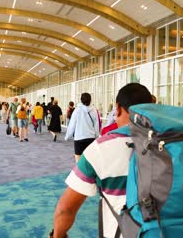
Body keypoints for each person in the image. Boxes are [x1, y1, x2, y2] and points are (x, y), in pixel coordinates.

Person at [52, 83, 153, 238]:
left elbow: (65, 209)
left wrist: (57, 235)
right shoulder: (172, 145)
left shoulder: (101, 148)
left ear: (118, 108)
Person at [64, 93, 100, 162]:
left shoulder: (77, 110)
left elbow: (72, 124)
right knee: (90, 161)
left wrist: (67, 136)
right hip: (90, 138)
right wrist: (96, 136)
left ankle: (80, 173)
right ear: (90, 100)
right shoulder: (94, 110)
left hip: (79, 138)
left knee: (79, 162)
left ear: (81, 100)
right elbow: (96, 124)